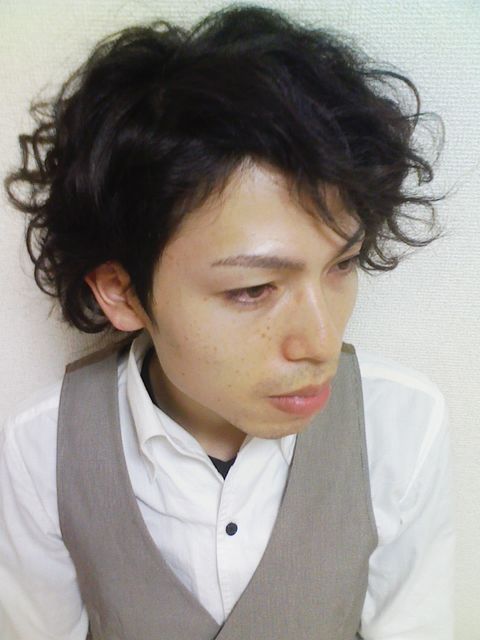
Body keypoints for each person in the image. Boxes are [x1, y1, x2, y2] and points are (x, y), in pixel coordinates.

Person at [0, 4, 454, 639]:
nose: (321, 342)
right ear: (122, 293)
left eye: (343, 264)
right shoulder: (41, 450)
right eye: (253, 289)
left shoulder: (400, 427)